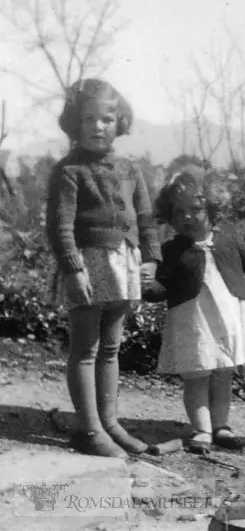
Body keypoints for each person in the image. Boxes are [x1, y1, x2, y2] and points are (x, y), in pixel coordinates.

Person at [45, 78, 161, 457]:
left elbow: (146, 219)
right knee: (85, 349)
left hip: (123, 264)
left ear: (119, 122)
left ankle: (110, 422)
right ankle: (89, 429)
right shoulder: (69, 170)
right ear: (75, 124)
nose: (98, 126)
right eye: (89, 118)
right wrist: (73, 269)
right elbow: (60, 226)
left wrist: (151, 260)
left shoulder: (130, 169)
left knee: (111, 349)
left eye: (107, 118)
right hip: (88, 264)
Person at [145, 167, 245, 454]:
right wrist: (149, 287)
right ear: (169, 215)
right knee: (196, 374)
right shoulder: (172, 250)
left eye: (195, 209)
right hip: (192, 319)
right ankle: (202, 429)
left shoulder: (227, 239)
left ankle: (221, 425)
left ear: (212, 207)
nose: (187, 216)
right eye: (179, 211)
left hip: (228, 315)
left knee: (223, 373)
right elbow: (162, 286)